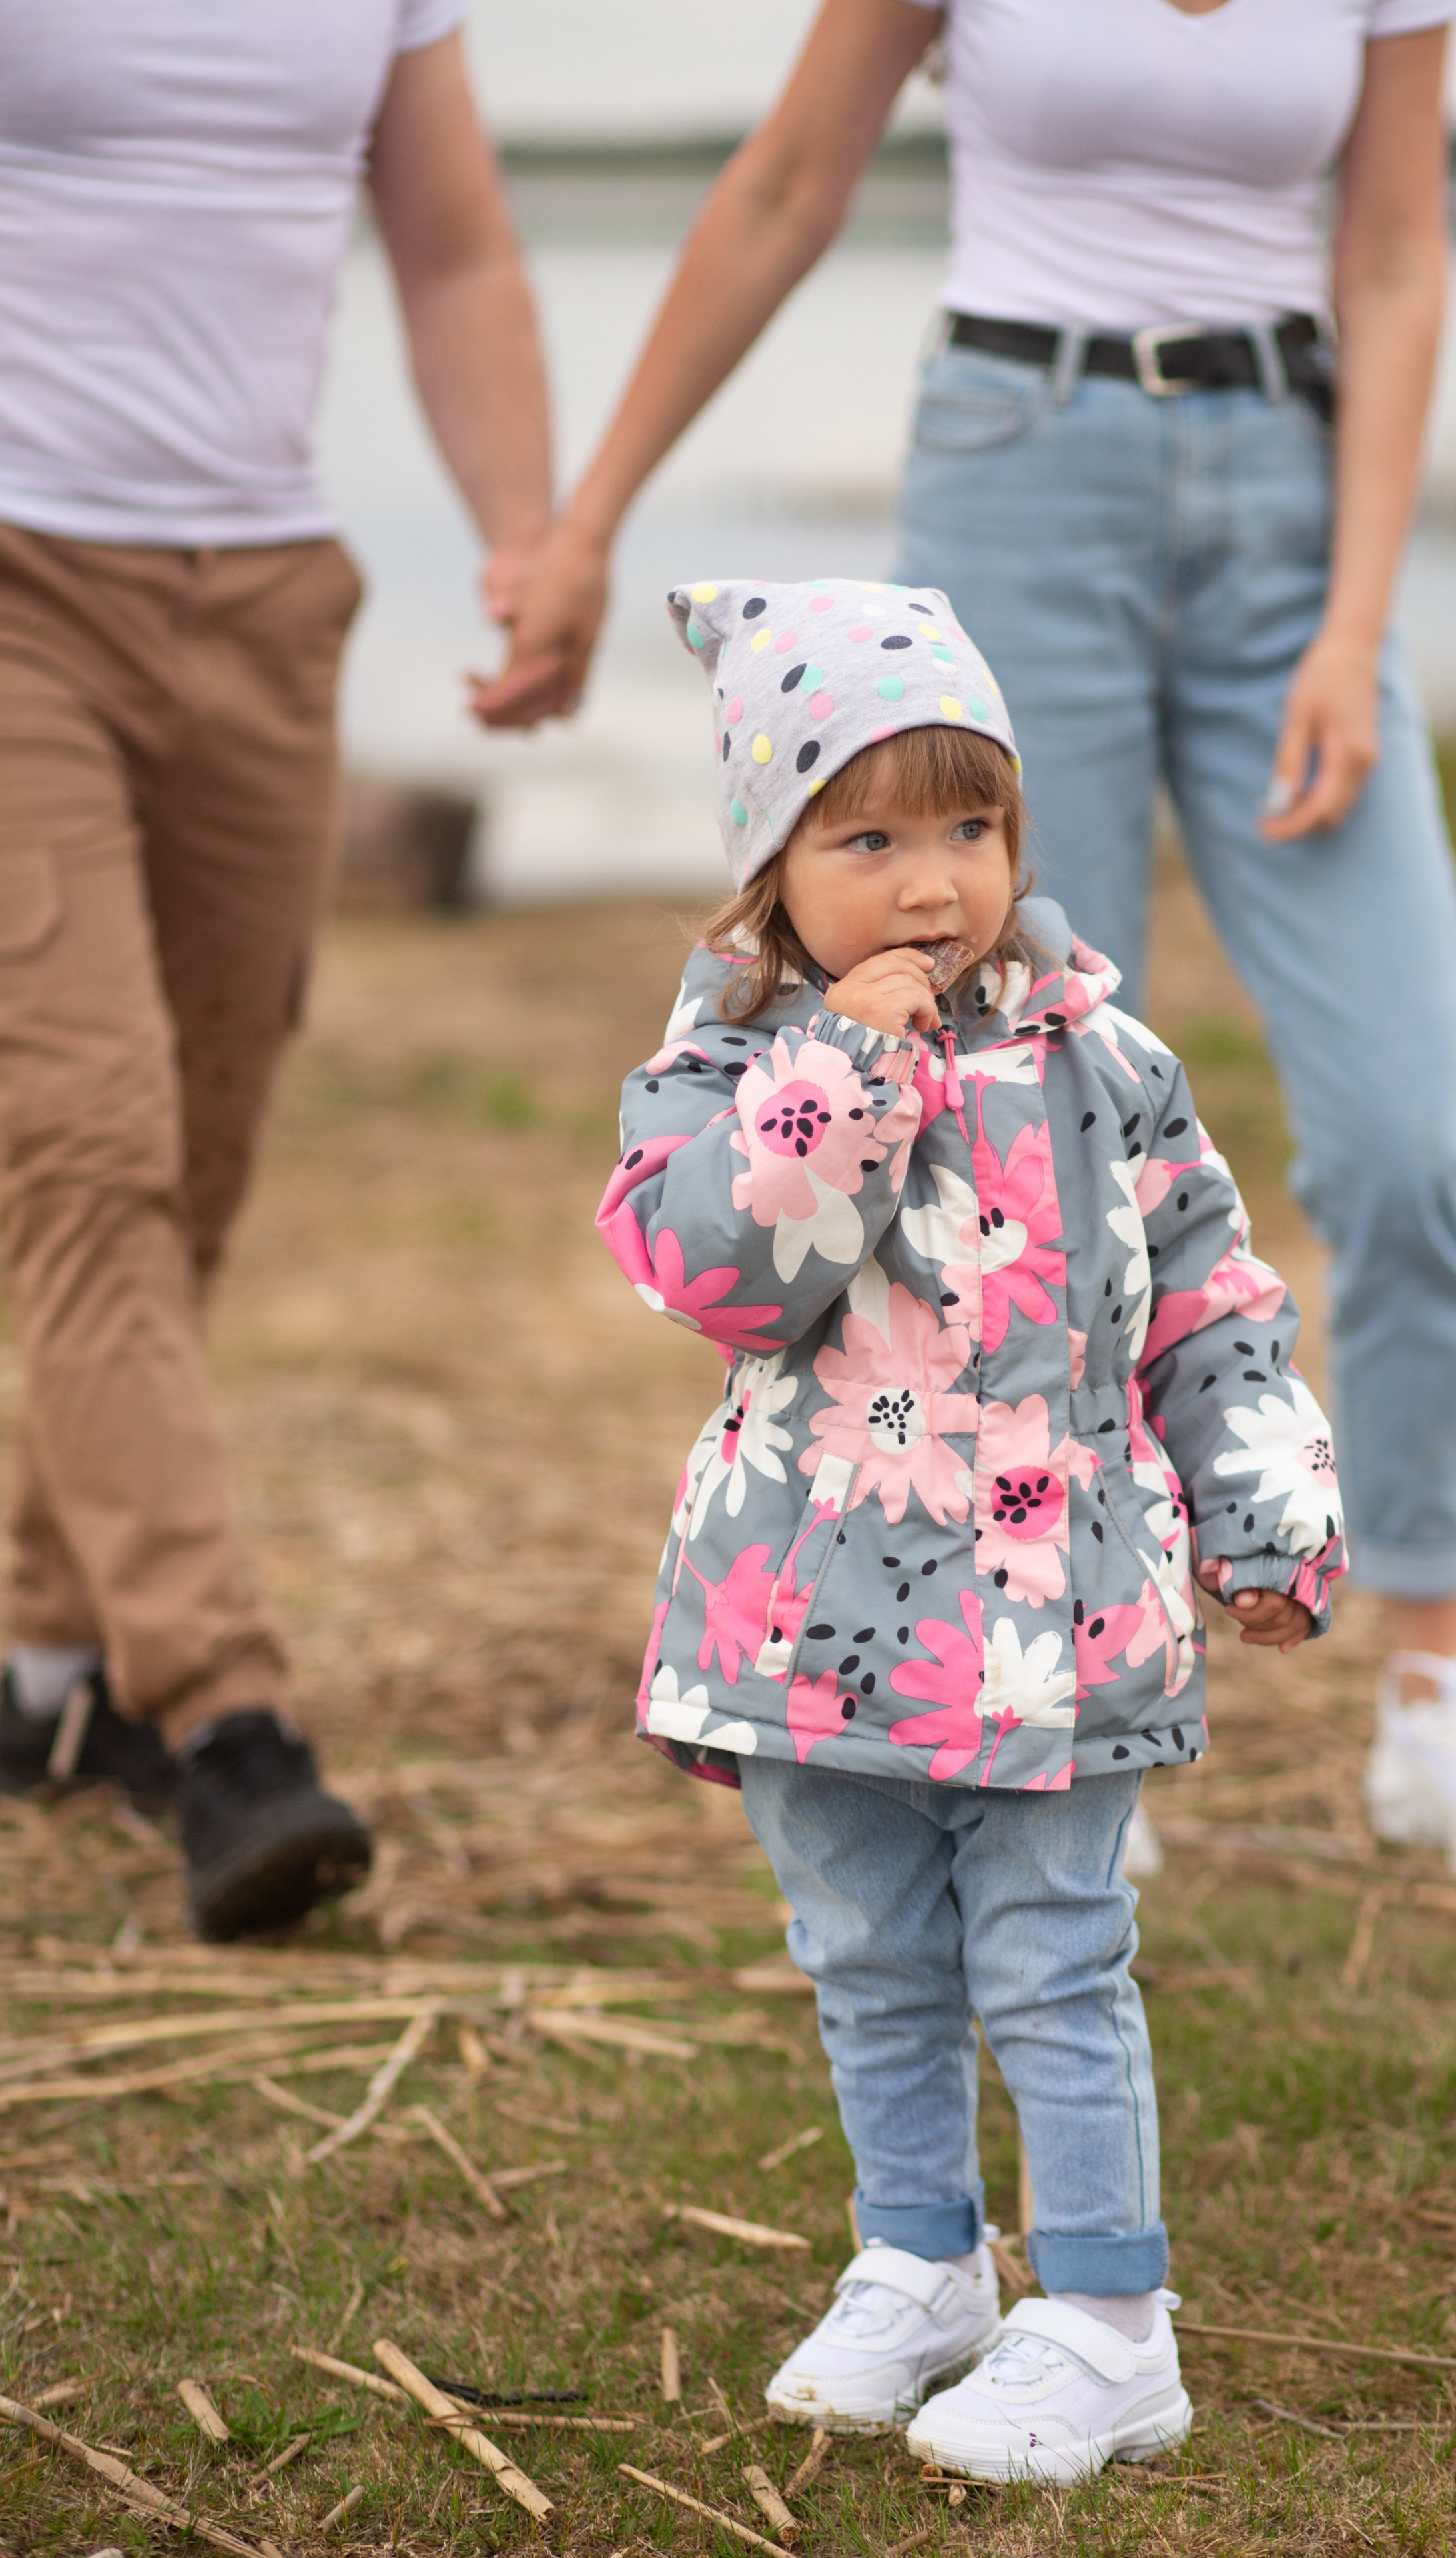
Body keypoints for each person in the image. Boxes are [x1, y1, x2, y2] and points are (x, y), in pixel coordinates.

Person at [478, 0, 1456, 1894]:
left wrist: (1356, 623)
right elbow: (784, 186)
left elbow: (1399, 251)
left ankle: (1438, 1684)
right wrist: (590, 523)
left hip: (1291, 495)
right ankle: (1044, 1686)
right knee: (999, 1149)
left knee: (1415, 1123)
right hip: (1022, 466)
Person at [597, 574, 1344, 2479]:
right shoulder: (725, 1069)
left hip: (1049, 1615)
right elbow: (721, 1276)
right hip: (809, 1605)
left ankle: (1106, 2317)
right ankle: (920, 2255)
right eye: (870, 834)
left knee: (1051, 1956)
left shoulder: (1105, 1063)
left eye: (972, 825)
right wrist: (845, 1069)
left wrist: (1263, 1504)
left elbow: (1210, 1300)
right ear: (774, 862)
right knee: (865, 1951)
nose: (932, 880)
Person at [0, 5, 552, 1936]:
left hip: (263, 603)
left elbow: (457, 240)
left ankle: (48, 1669)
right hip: (15, 578)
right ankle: (224, 1715)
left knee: (203, 1151)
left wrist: (522, 534)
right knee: (89, 1148)